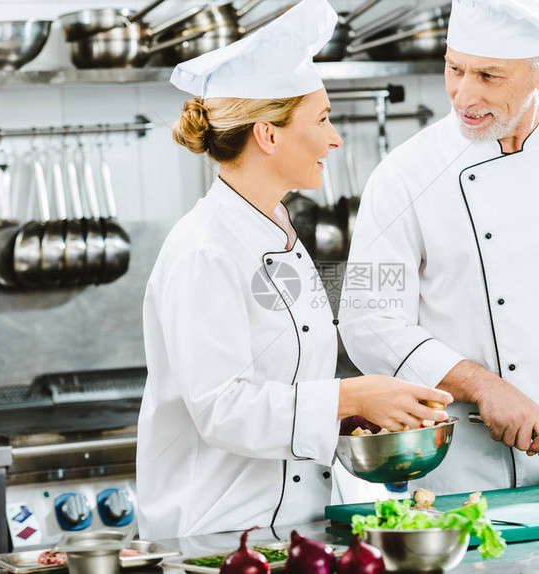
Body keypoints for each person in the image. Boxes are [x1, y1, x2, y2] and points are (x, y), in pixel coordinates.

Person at [136, 0, 452, 539]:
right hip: (215, 534)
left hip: (293, 528)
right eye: (323, 119)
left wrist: (350, 418)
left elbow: (283, 387)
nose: (335, 138)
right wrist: (351, 395)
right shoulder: (204, 251)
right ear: (268, 134)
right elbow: (222, 409)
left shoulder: (278, 230)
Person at [338, 0, 539, 494]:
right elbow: (369, 318)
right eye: (455, 69)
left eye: (489, 76)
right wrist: (483, 386)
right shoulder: (403, 174)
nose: (463, 95)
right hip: (463, 474)